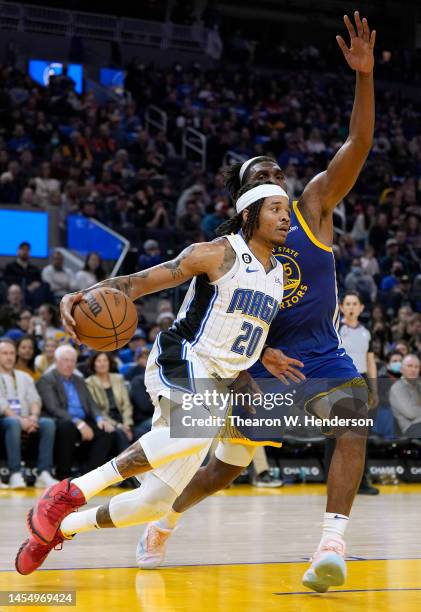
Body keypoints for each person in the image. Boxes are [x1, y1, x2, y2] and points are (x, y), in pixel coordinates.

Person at [134, 12, 376, 594]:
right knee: (222, 465)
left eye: (279, 174)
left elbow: (358, 143)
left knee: (354, 416)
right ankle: (159, 517)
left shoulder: (315, 206)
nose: (279, 182)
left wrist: (364, 78)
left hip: (318, 356)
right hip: (257, 367)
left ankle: (331, 542)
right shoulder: (230, 252)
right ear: (247, 201)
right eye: (264, 178)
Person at [15, 180, 300, 575]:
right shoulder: (217, 253)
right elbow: (140, 282)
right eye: (274, 208)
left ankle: (57, 529)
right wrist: (82, 295)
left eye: (287, 208)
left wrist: (259, 359)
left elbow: (240, 329)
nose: (286, 216)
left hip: (219, 379)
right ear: (250, 214)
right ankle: (68, 491)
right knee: (200, 428)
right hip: (183, 356)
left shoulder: (279, 274)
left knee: (155, 502)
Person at [36, 345, 115, 481]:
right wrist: (79, 423)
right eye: (65, 360)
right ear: (57, 361)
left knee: (106, 431)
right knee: (67, 427)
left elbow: (91, 403)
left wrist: (99, 418)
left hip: (84, 420)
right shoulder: (47, 380)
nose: (69, 364)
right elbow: (53, 408)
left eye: (72, 361)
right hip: (61, 419)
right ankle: (64, 474)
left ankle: (90, 476)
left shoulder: (79, 380)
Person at [326, 291, 378, 495]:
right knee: (335, 435)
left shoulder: (367, 332)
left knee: (360, 435)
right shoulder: (334, 329)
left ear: (361, 308)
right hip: (338, 382)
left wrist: (373, 388)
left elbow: (370, 360)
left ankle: (362, 482)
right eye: (347, 303)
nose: (350, 307)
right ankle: (332, 482)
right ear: (341, 306)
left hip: (361, 382)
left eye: (354, 303)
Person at [0, 338, 57, 489]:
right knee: (12, 423)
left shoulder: (24, 376)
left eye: (12, 353)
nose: (9, 356)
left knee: (48, 423)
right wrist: (20, 420)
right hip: (5, 421)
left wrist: (33, 417)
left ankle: (44, 473)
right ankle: (15, 474)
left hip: (27, 419)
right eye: (5, 353)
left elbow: (35, 400)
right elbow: (2, 405)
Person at [86, 352, 134, 453]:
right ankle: (128, 464)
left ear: (109, 362)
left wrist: (127, 424)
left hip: (124, 418)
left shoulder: (118, 378)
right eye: (99, 361)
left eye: (105, 360)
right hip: (106, 420)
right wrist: (119, 426)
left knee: (139, 433)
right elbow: (97, 409)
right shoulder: (89, 382)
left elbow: (126, 404)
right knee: (120, 434)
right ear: (93, 364)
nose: (102, 364)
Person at [389, 355, 421, 437]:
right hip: (412, 428)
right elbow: (411, 413)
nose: (413, 369)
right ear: (401, 369)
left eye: (416, 367)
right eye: (410, 366)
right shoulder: (397, 388)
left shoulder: (419, 385)